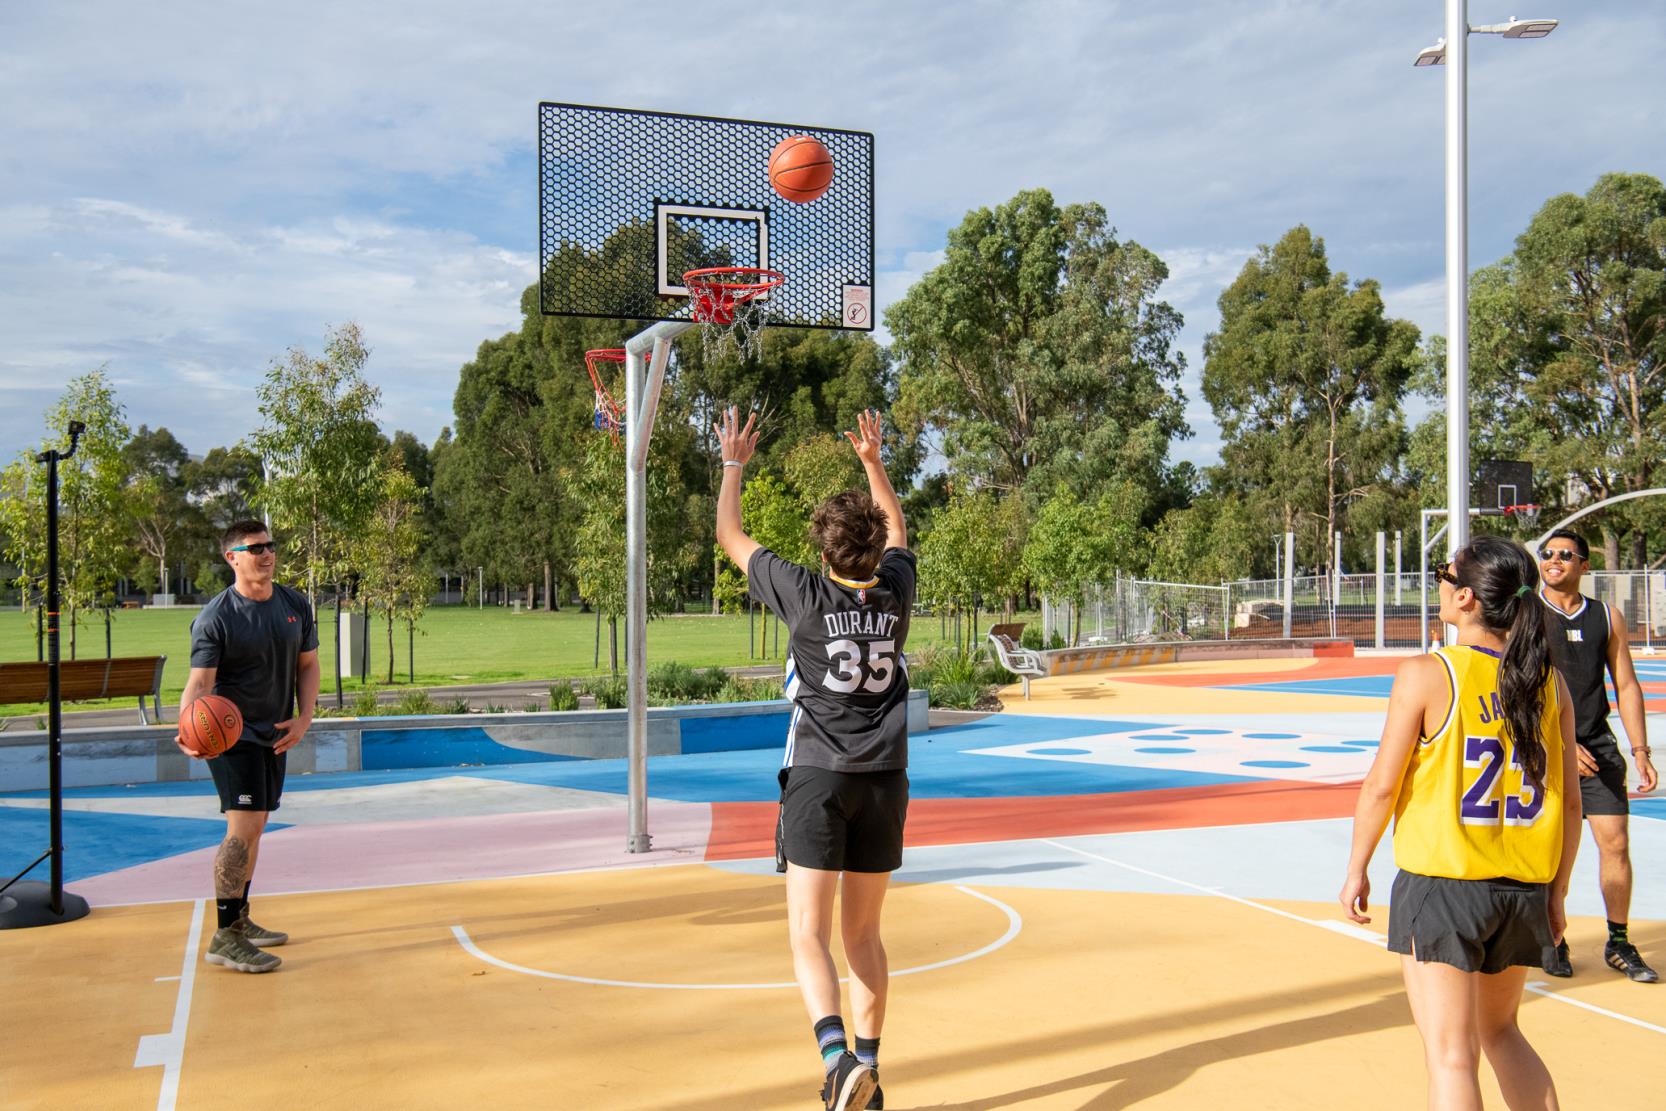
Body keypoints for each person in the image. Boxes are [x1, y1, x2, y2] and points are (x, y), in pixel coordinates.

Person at [714, 407, 913, 1111]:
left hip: (820, 777)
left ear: (823, 555)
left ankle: (836, 1063)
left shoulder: (803, 595)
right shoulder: (895, 593)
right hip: (886, 780)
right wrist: (872, 460)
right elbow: (901, 531)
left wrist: (734, 461)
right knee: (864, 932)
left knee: (807, 931)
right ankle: (870, 1070)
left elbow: (730, 535)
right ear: (873, 549)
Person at [1341, 536, 1579, 1111]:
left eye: (1444, 576)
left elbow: (1381, 785)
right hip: (1520, 885)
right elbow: (1570, 803)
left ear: (1468, 598)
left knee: (1450, 1056)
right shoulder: (1550, 684)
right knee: (1503, 1033)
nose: (1439, 585)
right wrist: (1557, 891)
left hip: (1444, 886)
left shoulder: (1428, 673)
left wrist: (1356, 868)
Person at [175, 520, 319, 974]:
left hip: (275, 734)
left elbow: (309, 665)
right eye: (255, 548)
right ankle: (224, 936)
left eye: (270, 546)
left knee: (256, 830)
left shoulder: (295, 604)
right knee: (242, 830)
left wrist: (304, 718)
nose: (267, 553)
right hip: (230, 738)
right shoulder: (217, 617)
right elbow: (200, 682)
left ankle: (238, 919)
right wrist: (186, 731)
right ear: (231, 557)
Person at [1536, 527, 1658, 981]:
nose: (1555, 560)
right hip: (1547, 749)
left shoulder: (1606, 617)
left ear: (1585, 566)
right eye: (1548, 553)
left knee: (1616, 844)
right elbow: (1515, 687)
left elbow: (1626, 685)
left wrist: (1640, 749)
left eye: (1566, 555)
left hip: (1598, 746)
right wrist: (1559, 745)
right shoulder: (1527, 612)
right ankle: (1552, 937)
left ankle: (1619, 942)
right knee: (1553, 853)